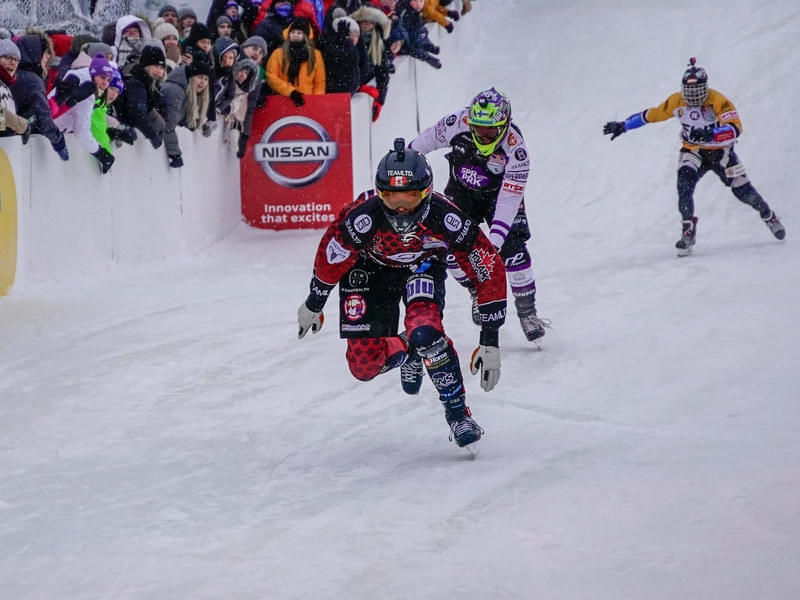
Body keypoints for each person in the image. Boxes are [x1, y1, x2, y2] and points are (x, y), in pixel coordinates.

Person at [296, 139, 507, 449]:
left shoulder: (447, 218)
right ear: (380, 194)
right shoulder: (361, 217)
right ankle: (410, 350)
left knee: (426, 331)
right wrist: (314, 302)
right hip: (372, 268)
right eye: (392, 197)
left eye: (410, 196)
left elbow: (487, 267)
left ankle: (459, 414)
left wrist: (490, 340)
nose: (401, 207)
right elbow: (334, 253)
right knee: (363, 366)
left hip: (423, 267)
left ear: (425, 192)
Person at [603, 57, 786, 255]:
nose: (692, 98)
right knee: (684, 185)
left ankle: (768, 215)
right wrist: (624, 125)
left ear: (705, 89)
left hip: (721, 152)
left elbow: (735, 128)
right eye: (688, 92)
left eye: (697, 92)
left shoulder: (718, 101)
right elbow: (652, 114)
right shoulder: (676, 101)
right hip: (693, 151)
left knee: (744, 193)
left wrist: (712, 134)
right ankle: (688, 229)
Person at [409, 87, 549, 342]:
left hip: (499, 196)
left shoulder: (517, 150)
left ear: (504, 125)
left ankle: (528, 313)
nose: (483, 136)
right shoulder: (456, 123)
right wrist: (405, 166)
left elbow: (509, 199)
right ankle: (475, 290)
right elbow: (422, 144)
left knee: (514, 250)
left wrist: (494, 241)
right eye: (478, 129)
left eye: (490, 130)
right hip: (461, 192)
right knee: (450, 247)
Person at [265, 17, 325, 107]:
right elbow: (271, 77)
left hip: (307, 102)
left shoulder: (316, 55)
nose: (295, 35)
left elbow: (319, 82)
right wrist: (291, 92)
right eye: (293, 32)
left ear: (305, 36)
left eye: (299, 33)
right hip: (282, 101)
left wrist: (315, 102)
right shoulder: (278, 53)